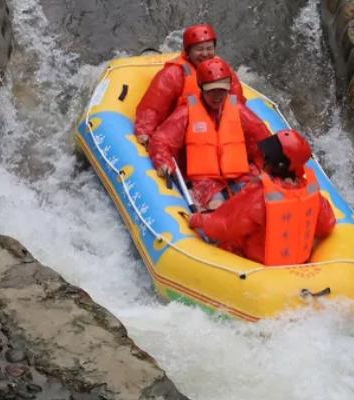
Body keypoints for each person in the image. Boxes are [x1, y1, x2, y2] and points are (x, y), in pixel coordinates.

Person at [188, 129, 336, 266]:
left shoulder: (262, 194)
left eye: (267, 156)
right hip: (297, 263)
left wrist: (197, 219)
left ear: (277, 164)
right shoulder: (310, 191)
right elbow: (327, 224)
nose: (264, 158)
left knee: (209, 236)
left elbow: (225, 226)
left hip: (257, 264)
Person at [148, 56, 271, 209]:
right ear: (201, 88)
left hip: (239, 173)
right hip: (205, 180)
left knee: (258, 201)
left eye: (221, 90)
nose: (217, 96)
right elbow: (161, 140)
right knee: (216, 205)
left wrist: (272, 167)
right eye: (211, 90)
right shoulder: (186, 112)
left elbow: (263, 139)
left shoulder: (238, 109)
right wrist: (163, 161)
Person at [135, 23, 245, 146]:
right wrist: (144, 132)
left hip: (218, 133)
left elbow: (237, 104)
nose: (205, 54)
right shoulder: (173, 75)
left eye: (209, 49)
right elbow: (152, 108)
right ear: (188, 52)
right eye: (199, 49)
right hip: (184, 134)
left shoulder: (223, 70)